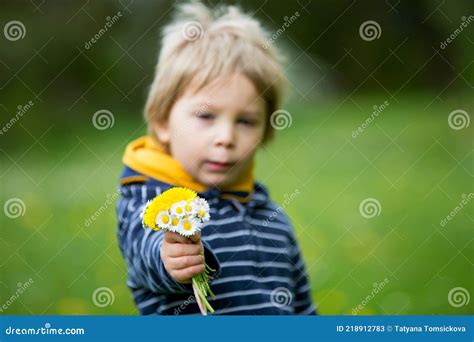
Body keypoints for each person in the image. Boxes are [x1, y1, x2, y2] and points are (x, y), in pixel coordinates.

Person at [116, 1, 316, 315]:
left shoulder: (273, 219)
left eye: (246, 121)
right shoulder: (148, 200)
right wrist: (171, 254)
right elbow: (145, 247)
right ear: (162, 122)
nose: (226, 137)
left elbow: (303, 308)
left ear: (265, 132)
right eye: (207, 116)